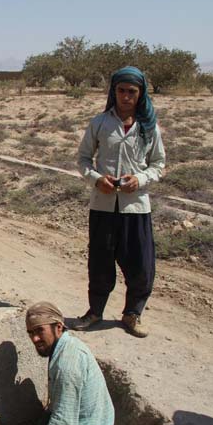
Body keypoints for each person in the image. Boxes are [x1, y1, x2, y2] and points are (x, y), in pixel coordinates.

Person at [75, 66, 166, 338]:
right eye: (121, 90)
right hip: (103, 205)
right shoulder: (100, 123)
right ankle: (94, 312)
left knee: (140, 263)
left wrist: (140, 179)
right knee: (100, 261)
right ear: (113, 92)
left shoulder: (149, 128)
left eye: (132, 92)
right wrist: (95, 178)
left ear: (140, 94)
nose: (126, 96)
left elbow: (158, 164)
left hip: (136, 208)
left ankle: (133, 314)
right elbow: (82, 159)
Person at [25, 301, 114, 425]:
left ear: (58, 327)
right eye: (30, 332)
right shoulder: (66, 345)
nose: (35, 338)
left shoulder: (66, 364)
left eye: (40, 330)